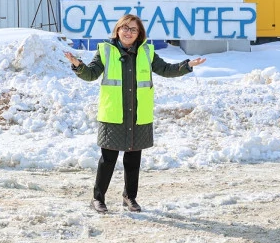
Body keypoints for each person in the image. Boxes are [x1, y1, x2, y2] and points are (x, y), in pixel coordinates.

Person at [64, 14, 205, 213]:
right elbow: (91, 74)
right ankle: (98, 199)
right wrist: (78, 65)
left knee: (133, 159)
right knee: (108, 159)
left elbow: (165, 69)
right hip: (113, 114)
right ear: (118, 30)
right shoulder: (106, 50)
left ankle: (129, 197)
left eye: (133, 29)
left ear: (139, 34)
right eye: (125, 28)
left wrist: (187, 66)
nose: (129, 32)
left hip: (139, 114)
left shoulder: (146, 51)